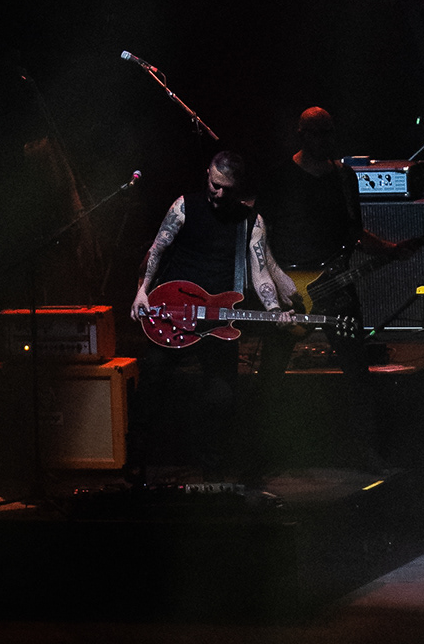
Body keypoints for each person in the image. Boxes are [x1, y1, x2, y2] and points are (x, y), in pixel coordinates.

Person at [130, 149, 297, 486]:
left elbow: (260, 273)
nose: (219, 193)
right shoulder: (184, 206)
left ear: (239, 187)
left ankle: (213, 471)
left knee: (222, 398)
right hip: (173, 312)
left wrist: (275, 311)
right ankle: (137, 462)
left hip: (219, 321)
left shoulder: (251, 222)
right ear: (207, 173)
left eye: (227, 189)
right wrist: (141, 291)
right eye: (215, 184)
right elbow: (157, 250)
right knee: (151, 382)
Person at [256, 107, 400, 475]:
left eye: (329, 132)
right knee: (270, 374)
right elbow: (258, 236)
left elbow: (354, 233)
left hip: (336, 286)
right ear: (301, 134)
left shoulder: (344, 178)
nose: (324, 140)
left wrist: (390, 249)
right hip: (290, 289)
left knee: (357, 372)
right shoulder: (279, 177)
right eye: (316, 133)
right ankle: (261, 457)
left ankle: (369, 452)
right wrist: (275, 282)